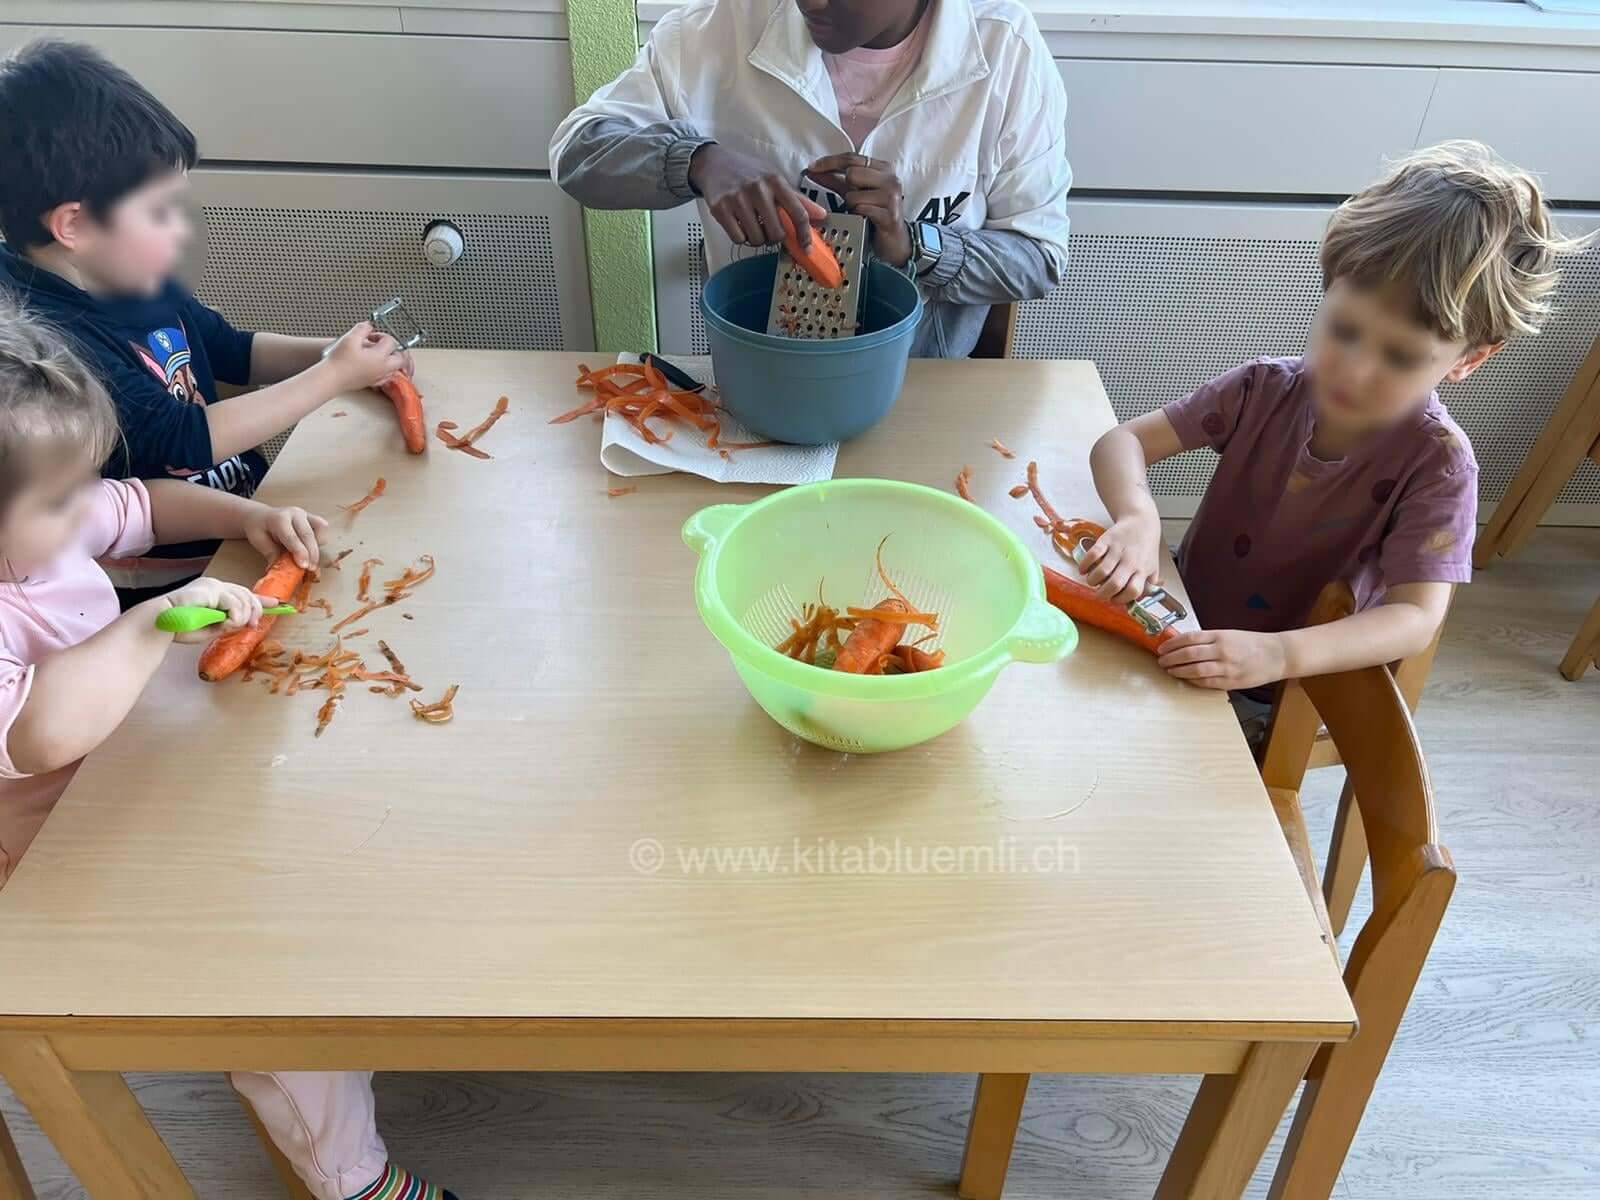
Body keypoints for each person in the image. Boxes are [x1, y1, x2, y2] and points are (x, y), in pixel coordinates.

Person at [0, 303, 459, 1200]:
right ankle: (352, 1177)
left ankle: (362, 1006)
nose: (82, 507)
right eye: (59, 501)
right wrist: (142, 630)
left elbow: (141, 505)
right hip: (59, 859)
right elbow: (40, 734)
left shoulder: (40, 525)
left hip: (136, 777)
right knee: (263, 981)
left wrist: (251, 515)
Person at [1083, 140, 1592, 740]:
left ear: (1470, 360)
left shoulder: (1439, 466)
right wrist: (1139, 517)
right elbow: (1121, 442)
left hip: (1282, 695)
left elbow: (1414, 618)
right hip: (1171, 622)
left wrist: (1278, 656)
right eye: (1343, 330)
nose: (1354, 370)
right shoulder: (1262, 389)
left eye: (1400, 356)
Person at [0, 40, 411, 603]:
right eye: (160, 211)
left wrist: (334, 353)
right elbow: (181, 439)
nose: (180, 229)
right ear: (74, 224)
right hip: (164, 577)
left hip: (240, 521)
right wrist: (332, 377)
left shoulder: (124, 268)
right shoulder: (50, 337)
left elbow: (228, 349)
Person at [550, 0, 1071, 358]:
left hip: (923, 386)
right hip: (759, 376)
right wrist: (696, 161)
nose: (810, 1)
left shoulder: (1006, 50)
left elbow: (1039, 259)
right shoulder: (713, 29)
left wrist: (913, 244)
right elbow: (577, 153)